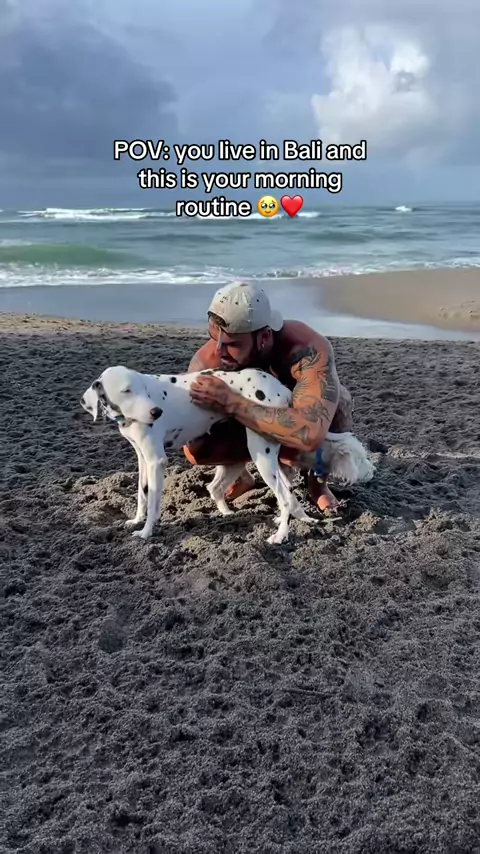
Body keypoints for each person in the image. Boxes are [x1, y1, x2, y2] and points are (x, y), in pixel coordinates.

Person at [183, 281, 353, 512]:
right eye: (214, 337)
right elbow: (189, 436)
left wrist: (231, 403)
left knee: (339, 403)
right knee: (196, 448)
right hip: (245, 425)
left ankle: (317, 485)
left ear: (263, 337)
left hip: (292, 413)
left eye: (232, 344)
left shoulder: (303, 347)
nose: (219, 350)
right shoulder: (207, 361)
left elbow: (311, 435)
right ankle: (241, 475)